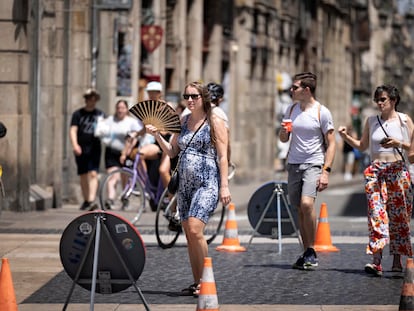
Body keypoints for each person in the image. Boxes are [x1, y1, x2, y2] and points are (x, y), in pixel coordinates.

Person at [146, 81, 231, 296]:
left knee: (195, 229)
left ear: (204, 98)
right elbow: (173, 152)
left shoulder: (215, 121)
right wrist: (157, 136)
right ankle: (197, 282)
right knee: (189, 234)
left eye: (194, 96)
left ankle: (207, 280)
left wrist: (225, 186)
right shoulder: (182, 121)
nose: (190, 100)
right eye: (187, 96)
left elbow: (223, 156)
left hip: (207, 182)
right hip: (185, 185)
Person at [338, 84, 413, 276]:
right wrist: (345, 136)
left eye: (383, 100)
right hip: (376, 172)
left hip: (397, 171)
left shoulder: (405, 121)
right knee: (376, 215)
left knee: (399, 218)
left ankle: (397, 260)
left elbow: (412, 153)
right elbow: (362, 146)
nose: (379, 103)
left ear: (394, 101)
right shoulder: (371, 121)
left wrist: (399, 144)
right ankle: (376, 260)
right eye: (377, 100)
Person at [279, 72, 336, 270]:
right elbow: (283, 139)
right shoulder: (291, 109)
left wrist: (326, 171)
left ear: (307, 90)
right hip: (294, 164)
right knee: (299, 209)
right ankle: (306, 252)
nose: (291, 90)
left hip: (314, 163)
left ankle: (311, 249)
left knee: (306, 204)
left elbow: (331, 143)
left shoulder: (322, 112)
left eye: (295, 87)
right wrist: (284, 131)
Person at [94, 99, 144, 209]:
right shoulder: (110, 120)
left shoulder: (131, 122)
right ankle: (110, 199)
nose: (120, 110)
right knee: (113, 177)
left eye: (122, 108)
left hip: (127, 153)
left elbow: (135, 138)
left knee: (125, 178)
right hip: (111, 152)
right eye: (118, 108)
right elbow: (101, 130)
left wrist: (126, 152)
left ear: (126, 109)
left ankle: (124, 198)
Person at [70, 88, 105, 210]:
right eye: (90, 98)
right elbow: (73, 130)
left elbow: (105, 129)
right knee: (83, 174)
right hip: (81, 147)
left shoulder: (100, 114)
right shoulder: (78, 114)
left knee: (94, 173)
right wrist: (75, 145)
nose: (92, 101)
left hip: (95, 146)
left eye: (94, 98)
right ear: (86, 100)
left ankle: (91, 200)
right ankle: (86, 199)